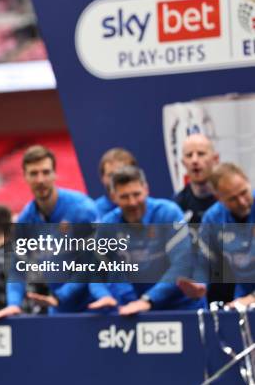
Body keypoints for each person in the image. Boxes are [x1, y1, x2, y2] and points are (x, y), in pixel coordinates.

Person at [0, 145, 99, 318]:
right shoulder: (26, 219)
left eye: (46, 172)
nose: (40, 179)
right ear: (25, 177)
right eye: (34, 173)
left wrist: (61, 296)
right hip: (57, 310)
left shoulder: (82, 209)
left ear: (54, 174)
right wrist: (14, 304)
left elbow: (93, 263)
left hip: (95, 308)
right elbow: (17, 268)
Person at [89, 166, 205, 315]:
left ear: (146, 189)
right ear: (113, 197)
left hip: (182, 307)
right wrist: (103, 295)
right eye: (124, 197)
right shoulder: (108, 224)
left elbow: (180, 265)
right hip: (137, 310)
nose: (132, 202)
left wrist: (148, 299)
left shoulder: (168, 213)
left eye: (136, 194)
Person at [181, 163, 255, 307]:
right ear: (219, 198)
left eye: (244, 192)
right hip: (242, 299)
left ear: (248, 181)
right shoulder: (213, 218)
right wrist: (199, 285)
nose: (242, 202)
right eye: (232, 199)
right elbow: (204, 261)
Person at [172, 133, 233, 303]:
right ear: (183, 163)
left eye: (201, 153)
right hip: (197, 293)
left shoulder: (233, 199)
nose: (194, 160)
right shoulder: (176, 206)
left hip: (235, 290)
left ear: (215, 159)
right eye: (189, 155)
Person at [95, 148, 138, 217]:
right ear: (102, 178)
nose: (116, 180)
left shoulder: (154, 210)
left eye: (121, 173)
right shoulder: (94, 212)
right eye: (111, 175)